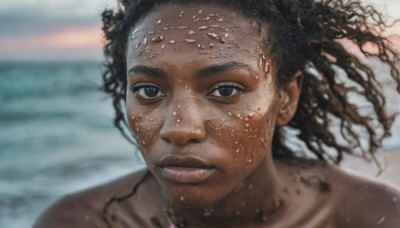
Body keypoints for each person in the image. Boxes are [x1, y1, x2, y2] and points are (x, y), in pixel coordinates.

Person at [34, 0, 400, 227]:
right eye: (149, 91)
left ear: (285, 98)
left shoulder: (368, 216)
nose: (179, 129)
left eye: (226, 90)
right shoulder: (82, 222)